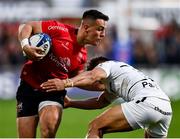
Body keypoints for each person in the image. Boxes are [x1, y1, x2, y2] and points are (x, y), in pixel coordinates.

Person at [17, 10, 109, 138]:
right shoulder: (59, 29)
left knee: (48, 129)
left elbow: (76, 80)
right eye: (100, 29)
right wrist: (25, 46)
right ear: (86, 28)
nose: (103, 34)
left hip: (54, 91)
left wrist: (103, 86)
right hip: (28, 86)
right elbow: (28, 26)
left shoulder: (83, 55)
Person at [41, 56, 172, 138]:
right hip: (166, 108)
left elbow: (93, 76)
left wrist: (65, 83)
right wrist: (71, 103)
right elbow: (100, 102)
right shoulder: (119, 77)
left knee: (95, 127)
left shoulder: (106, 65)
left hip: (146, 102)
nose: (96, 84)